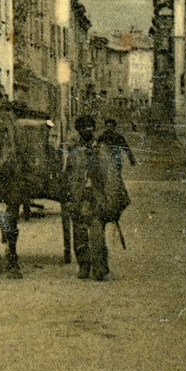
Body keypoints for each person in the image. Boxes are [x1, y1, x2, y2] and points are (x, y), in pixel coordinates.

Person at [65, 116, 111, 281]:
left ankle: (100, 267)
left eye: (91, 127)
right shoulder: (73, 151)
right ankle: (84, 266)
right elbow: (68, 174)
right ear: (79, 130)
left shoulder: (100, 148)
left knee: (97, 233)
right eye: (84, 127)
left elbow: (108, 173)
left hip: (96, 197)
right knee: (79, 233)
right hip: (79, 196)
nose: (88, 130)